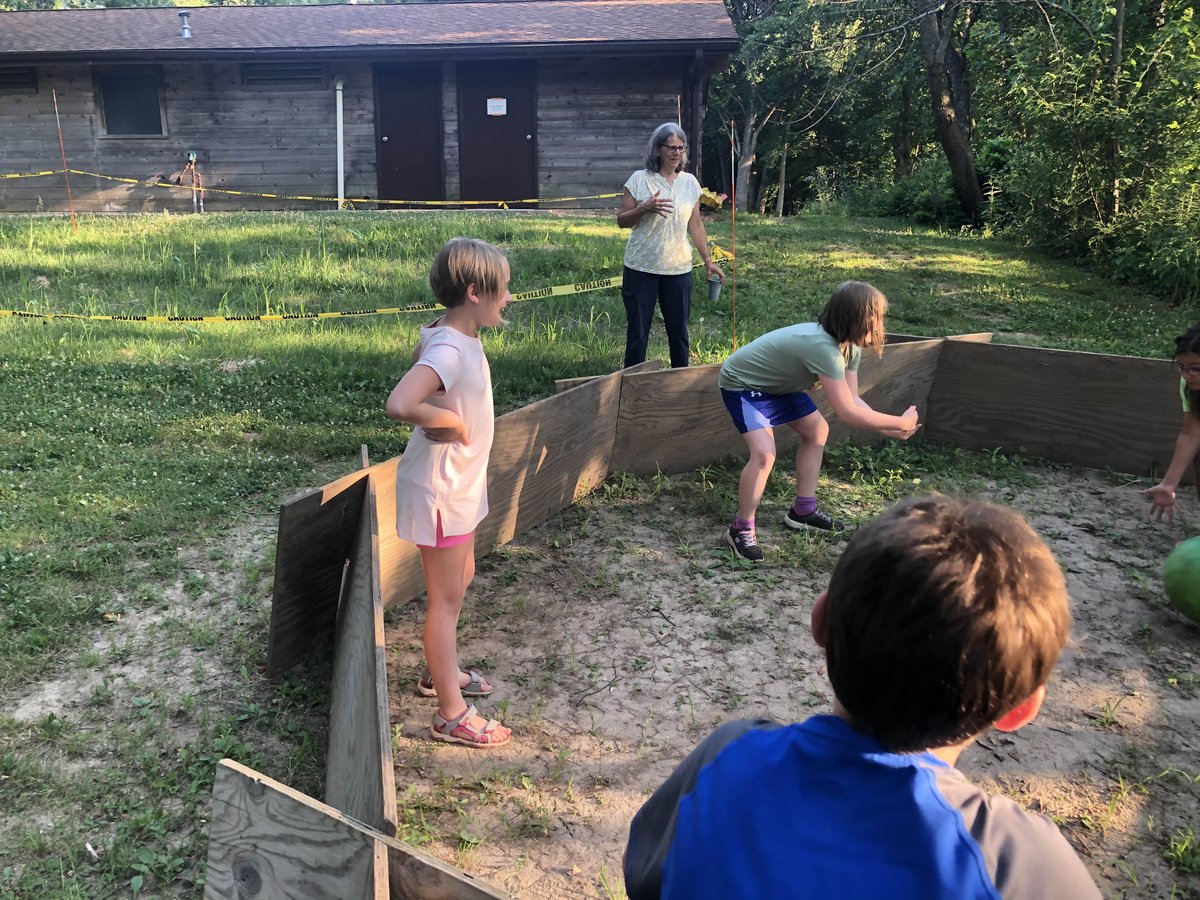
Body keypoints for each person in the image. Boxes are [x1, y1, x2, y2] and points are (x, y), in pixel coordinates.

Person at [624, 496, 1102, 899]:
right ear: (1023, 707)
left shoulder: (726, 754)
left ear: (820, 624)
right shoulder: (1018, 862)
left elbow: (645, 875)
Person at [385, 237, 512, 748]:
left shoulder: (449, 333)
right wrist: (451, 422)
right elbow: (400, 402)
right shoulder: (449, 347)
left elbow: (423, 346)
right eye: (504, 289)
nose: (510, 297)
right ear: (477, 292)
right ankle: (450, 713)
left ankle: (441, 670)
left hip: (461, 485)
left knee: (461, 578)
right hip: (442, 490)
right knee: (447, 600)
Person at [717, 280, 919, 561]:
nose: (879, 326)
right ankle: (740, 529)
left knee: (817, 430)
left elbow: (852, 399)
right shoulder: (823, 349)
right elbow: (847, 412)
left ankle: (803, 511)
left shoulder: (849, 348)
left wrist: (891, 427)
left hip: (778, 387)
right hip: (743, 385)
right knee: (764, 455)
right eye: (877, 318)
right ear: (856, 320)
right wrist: (901, 423)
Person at [616, 122, 724, 369]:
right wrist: (645, 208)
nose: (677, 153)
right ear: (657, 150)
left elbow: (695, 225)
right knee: (637, 336)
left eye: (680, 148)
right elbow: (622, 221)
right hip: (640, 268)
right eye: (671, 148)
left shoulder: (689, 183)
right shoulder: (639, 179)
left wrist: (708, 261)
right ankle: (633, 387)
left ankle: (679, 385)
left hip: (678, 271)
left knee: (679, 334)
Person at [1142, 323, 1200, 522]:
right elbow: (1191, 433)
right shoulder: (1190, 385)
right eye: (1182, 367)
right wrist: (1169, 484)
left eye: (1195, 368)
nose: (1187, 375)